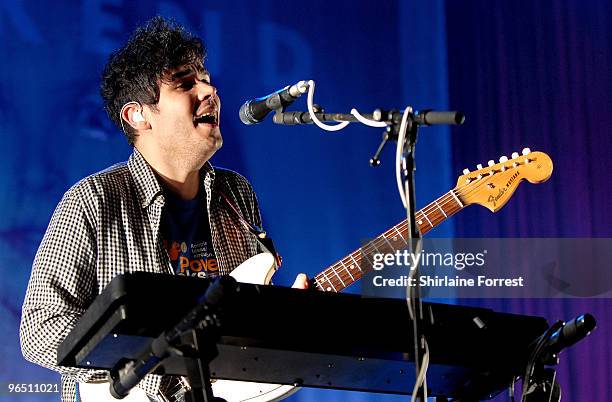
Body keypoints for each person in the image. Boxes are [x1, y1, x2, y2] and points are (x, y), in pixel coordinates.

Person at [19, 16, 307, 402]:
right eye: (186, 83)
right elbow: (41, 329)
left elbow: (240, 334)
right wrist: (159, 360)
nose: (209, 89)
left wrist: (284, 320)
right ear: (137, 115)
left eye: (205, 77)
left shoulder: (235, 194)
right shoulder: (94, 200)